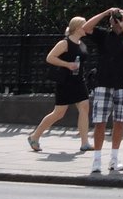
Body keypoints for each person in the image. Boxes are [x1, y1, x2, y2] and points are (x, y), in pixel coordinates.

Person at [82, 6, 123, 177]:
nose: (117, 19)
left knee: (120, 122)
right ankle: (97, 159)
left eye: (120, 17)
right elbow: (86, 28)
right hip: (103, 83)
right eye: (115, 17)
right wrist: (106, 12)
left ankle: (114, 159)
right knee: (100, 122)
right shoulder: (103, 35)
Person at [27, 16, 91, 153]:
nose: (87, 27)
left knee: (84, 107)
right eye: (85, 25)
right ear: (78, 27)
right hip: (66, 81)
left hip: (79, 80)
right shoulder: (65, 43)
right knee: (59, 113)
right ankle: (34, 136)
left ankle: (85, 143)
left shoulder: (82, 43)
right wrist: (67, 64)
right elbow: (50, 57)